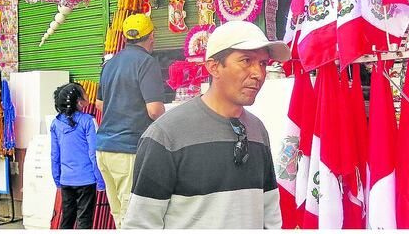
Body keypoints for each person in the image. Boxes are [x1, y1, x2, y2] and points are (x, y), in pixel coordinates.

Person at [122, 20, 289, 229]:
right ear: (214, 67)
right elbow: (141, 224)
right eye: (246, 60)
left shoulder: (257, 131)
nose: (258, 73)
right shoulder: (166, 135)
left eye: (263, 63)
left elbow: (270, 212)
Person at [95, 13, 166, 228]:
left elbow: (99, 104)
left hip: (104, 150)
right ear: (151, 36)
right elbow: (154, 110)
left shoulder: (110, 63)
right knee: (132, 215)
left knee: (119, 214)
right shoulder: (146, 63)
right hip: (127, 150)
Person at [50, 83, 105, 229]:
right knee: (84, 221)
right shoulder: (88, 121)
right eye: (85, 93)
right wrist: (100, 181)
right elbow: (94, 153)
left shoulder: (55, 123)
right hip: (86, 180)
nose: (88, 95)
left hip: (66, 180)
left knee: (67, 219)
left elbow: (54, 155)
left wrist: (57, 180)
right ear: (79, 101)